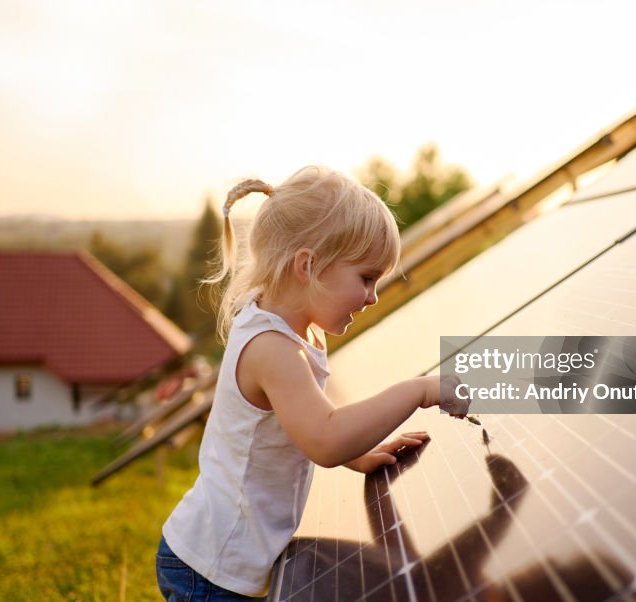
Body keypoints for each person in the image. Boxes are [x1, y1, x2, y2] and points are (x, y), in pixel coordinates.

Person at [156, 165, 467, 601]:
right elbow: (323, 438)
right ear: (309, 265)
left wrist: (358, 454)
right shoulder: (272, 348)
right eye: (366, 278)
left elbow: (302, 423)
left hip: (223, 559)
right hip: (211, 568)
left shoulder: (296, 331)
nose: (373, 296)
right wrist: (418, 390)